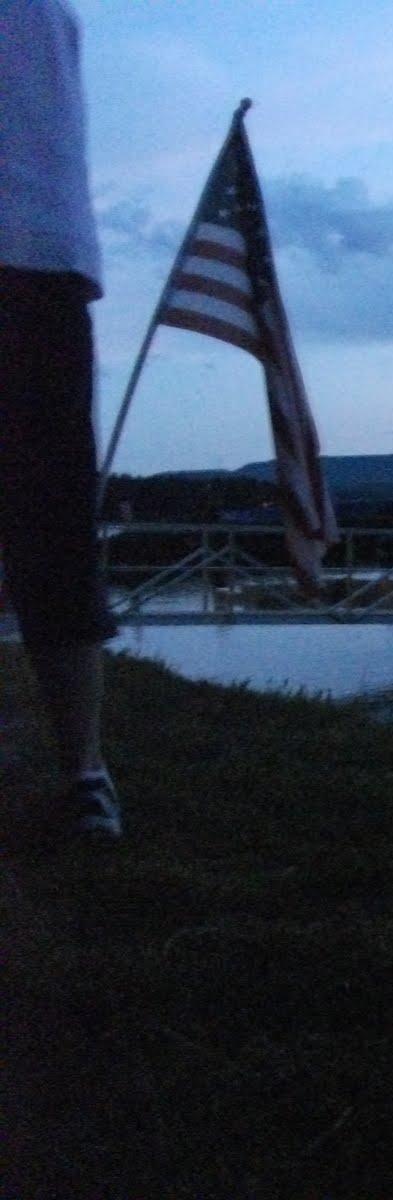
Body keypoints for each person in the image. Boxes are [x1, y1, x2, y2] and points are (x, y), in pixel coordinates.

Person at [1, 0, 122, 841]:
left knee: (53, 521)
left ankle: (85, 769)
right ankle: (84, 773)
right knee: (53, 521)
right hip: (47, 257)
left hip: (41, 258)